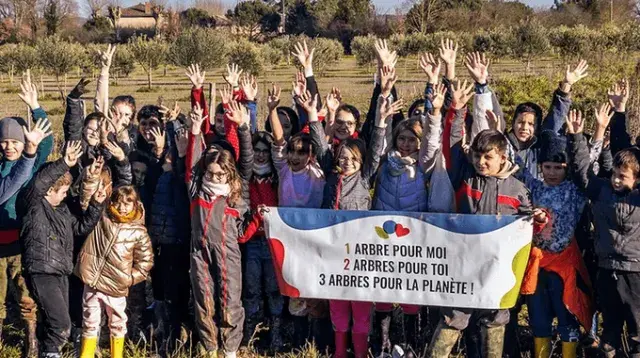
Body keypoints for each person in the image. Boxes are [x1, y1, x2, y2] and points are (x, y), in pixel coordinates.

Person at [427, 79, 550, 358]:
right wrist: (456, 110)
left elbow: (533, 229)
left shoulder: (519, 190)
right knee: (454, 317)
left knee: (497, 318)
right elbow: (454, 142)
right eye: (478, 156)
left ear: (503, 156)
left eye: (488, 157)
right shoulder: (465, 177)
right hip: (464, 264)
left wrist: (540, 219)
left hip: (498, 270)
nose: (481, 162)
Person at [310, 78, 402, 357]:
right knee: (337, 305)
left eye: (352, 158)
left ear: (361, 163)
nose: (346, 161)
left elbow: (375, 149)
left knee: (361, 306)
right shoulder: (330, 174)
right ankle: (339, 352)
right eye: (343, 157)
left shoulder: (364, 178)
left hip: (360, 253)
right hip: (333, 251)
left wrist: (382, 122)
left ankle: (361, 352)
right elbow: (320, 144)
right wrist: (315, 116)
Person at [370, 66, 439, 356]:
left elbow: (434, 138)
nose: (407, 144)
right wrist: (383, 111)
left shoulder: (425, 166)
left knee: (411, 297)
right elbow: (377, 141)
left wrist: (432, 87)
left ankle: (413, 346)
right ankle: (383, 345)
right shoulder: (385, 163)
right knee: (384, 295)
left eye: (412, 140)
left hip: (414, 238)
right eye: (402, 139)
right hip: (383, 238)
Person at [19, 141, 106, 358]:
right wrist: (64, 163)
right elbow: (37, 185)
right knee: (61, 324)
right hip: (42, 271)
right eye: (63, 191)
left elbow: (81, 227)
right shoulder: (34, 206)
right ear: (50, 189)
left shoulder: (63, 210)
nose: (66, 195)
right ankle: (50, 354)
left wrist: (96, 204)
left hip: (61, 271)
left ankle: (46, 352)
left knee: (54, 321)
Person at [566, 105, 640, 358]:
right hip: (607, 271)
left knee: (637, 334)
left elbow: (626, 146)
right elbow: (582, 172)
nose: (616, 180)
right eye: (615, 175)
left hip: (635, 274)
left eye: (623, 176)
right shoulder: (602, 190)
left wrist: (620, 116)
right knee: (609, 333)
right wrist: (576, 137)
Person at [186, 97, 254, 358]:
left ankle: (231, 349)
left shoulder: (237, 193)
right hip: (199, 252)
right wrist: (195, 132)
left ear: (229, 174)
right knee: (203, 300)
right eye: (210, 173)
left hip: (228, 253)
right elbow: (192, 167)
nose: (214, 178)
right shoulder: (197, 191)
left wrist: (244, 128)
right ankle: (210, 347)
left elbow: (246, 160)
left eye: (219, 175)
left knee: (230, 301)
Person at [0, 71, 54, 357]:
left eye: (14, 141)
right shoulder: (0, 169)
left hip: (22, 242)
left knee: (25, 294)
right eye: (5, 142)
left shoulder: (31, 164)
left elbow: (45, 139)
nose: (9, 146)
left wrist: (35, 106)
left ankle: (31, 338)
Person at [76, 184, 153, 358]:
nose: (121, 207)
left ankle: (116, 354)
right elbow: (86, 200)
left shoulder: (138, 231)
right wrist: (92, 186)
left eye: (127, 203)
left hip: (116, 285)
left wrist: (129, 278)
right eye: (118, 202)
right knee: (89, 319)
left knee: (118, 322)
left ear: (135, 205)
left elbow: (145, 262)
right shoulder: (102, 217)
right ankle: (86, 353)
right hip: (93, 279)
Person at [237, 129, 284, 353]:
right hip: (252, 240)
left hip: (274, 240)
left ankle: (275, 332)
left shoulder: (277, 178)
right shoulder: (245, 178)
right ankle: (251, 333)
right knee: (252, 287)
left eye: (265, 151)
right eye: (257, 150)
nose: (261, 155)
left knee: (274, 288)